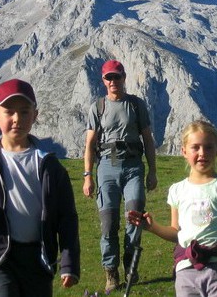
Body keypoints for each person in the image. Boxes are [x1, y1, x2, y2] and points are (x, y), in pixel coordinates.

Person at [0, 78, 80, 297]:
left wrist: (70, 264)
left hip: (39, 258)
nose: (17, 118)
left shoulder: (49, 165)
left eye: (25, 112)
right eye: (9, 111)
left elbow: (67, 217)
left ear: (35, 116)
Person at [128, 120, 217, 297]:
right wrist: (152, 227)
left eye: (208, 147)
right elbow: (176, 232)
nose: (202, 153)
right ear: (184, 151)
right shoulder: (177, 190)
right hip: (186, 270)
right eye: (195, 147)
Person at [83, 59, 158, 292]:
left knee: (134, 218)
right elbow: (89, 144)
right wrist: (88, 175)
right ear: (103, 81)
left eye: (117, 76)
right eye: (109, 77)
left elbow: (148, 139)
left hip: (134, 165)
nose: (113, 81)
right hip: (108, 163)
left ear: (124, 77)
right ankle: (111, 273)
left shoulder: (136, 105)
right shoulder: (98, 107)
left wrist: (153, 171)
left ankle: (131, 268)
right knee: (109, 223)